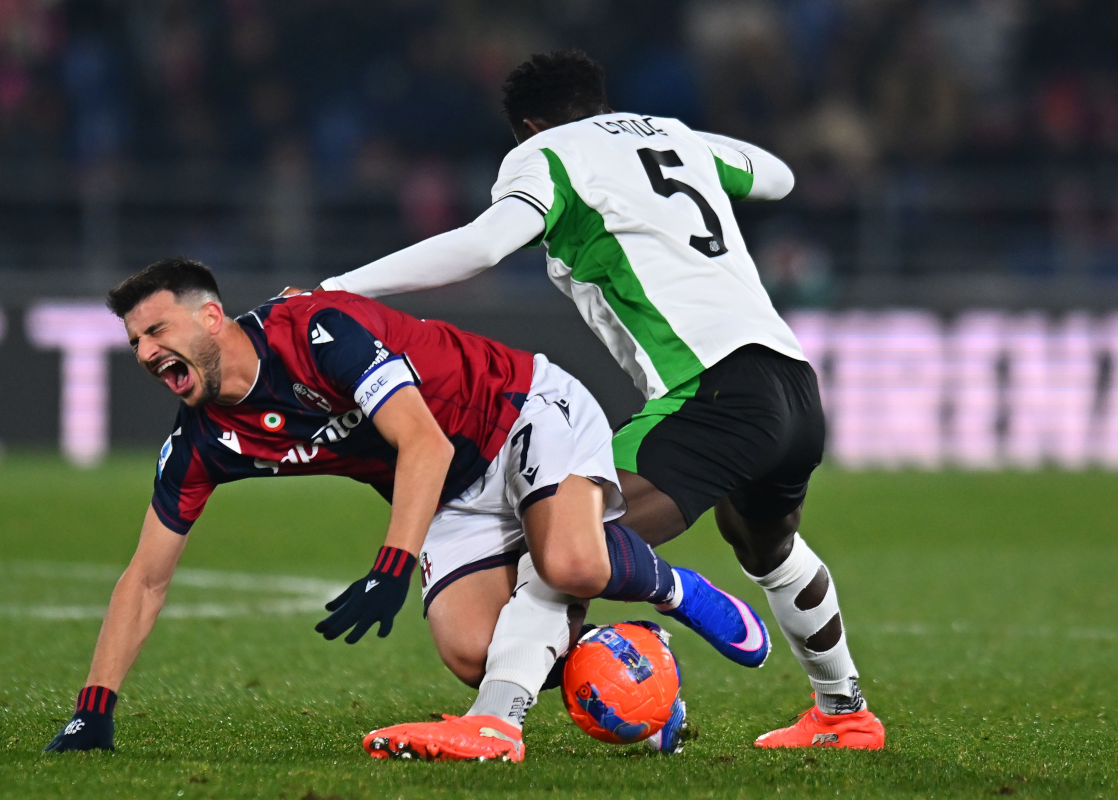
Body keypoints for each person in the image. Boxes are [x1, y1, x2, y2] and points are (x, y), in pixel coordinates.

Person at [315, 50, 885, 750]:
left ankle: (494, 722)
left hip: (711, 389)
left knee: (562, 542)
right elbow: (779, 175)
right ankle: (844, 712)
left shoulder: (547, 154)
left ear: (526, 126)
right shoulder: (669, 135)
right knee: (767, 546)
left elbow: (483, 246)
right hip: (792, 386)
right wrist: (675, 140)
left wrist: (337, 289)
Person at [42, 257, 769, 762]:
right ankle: (639, 673)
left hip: (515, 412)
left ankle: (674, 589)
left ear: (209, 317)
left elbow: (423, 441)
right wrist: (93, 710)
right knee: (472, 653)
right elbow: (145, 578)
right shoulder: (202, 441)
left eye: (156, 331)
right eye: (135, 340)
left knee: (571, 563)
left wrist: (393, 566)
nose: (143, 351)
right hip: (453, 495)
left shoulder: (314, 331)